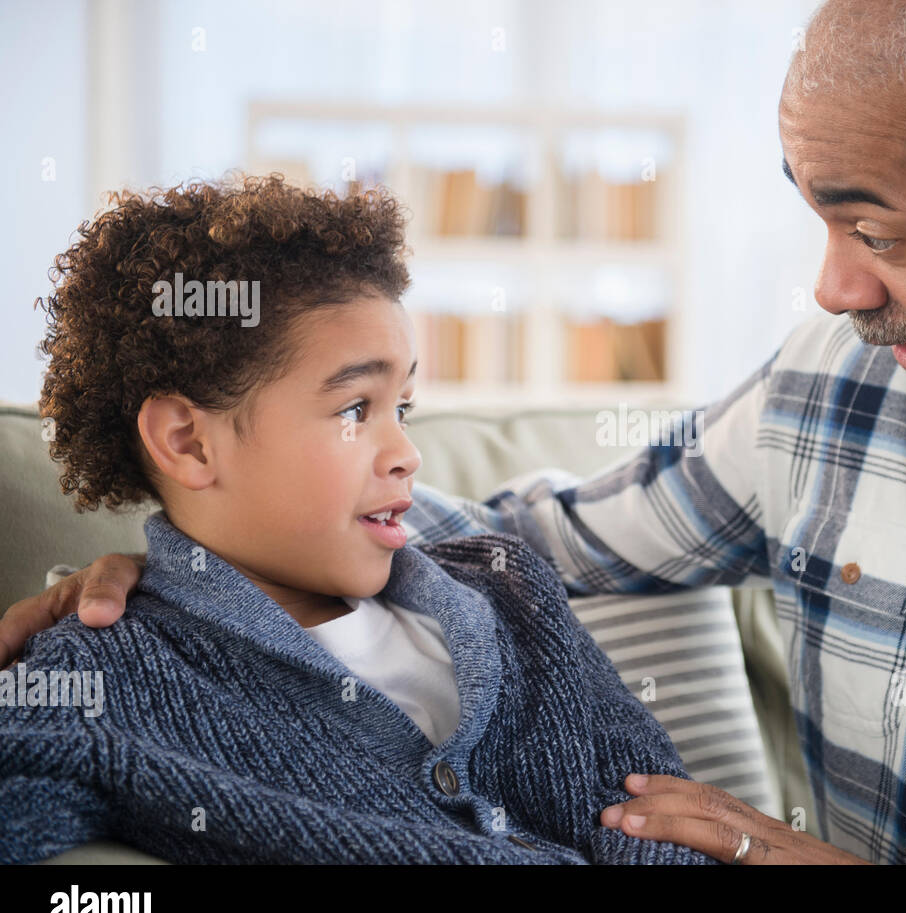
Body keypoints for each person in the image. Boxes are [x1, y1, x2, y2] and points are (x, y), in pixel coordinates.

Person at [6, 0, 906, 865]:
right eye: (820, 221)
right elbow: (519, 540)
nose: (833, 289)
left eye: (881, 230)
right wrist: (159, 569)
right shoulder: (837, 383)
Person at [0, 174, 721, 865]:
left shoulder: (511, 590)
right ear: (188, 441)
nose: (407, 452)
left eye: (402, 408)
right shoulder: (108, 677)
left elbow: (657, 813)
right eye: (354, 409)